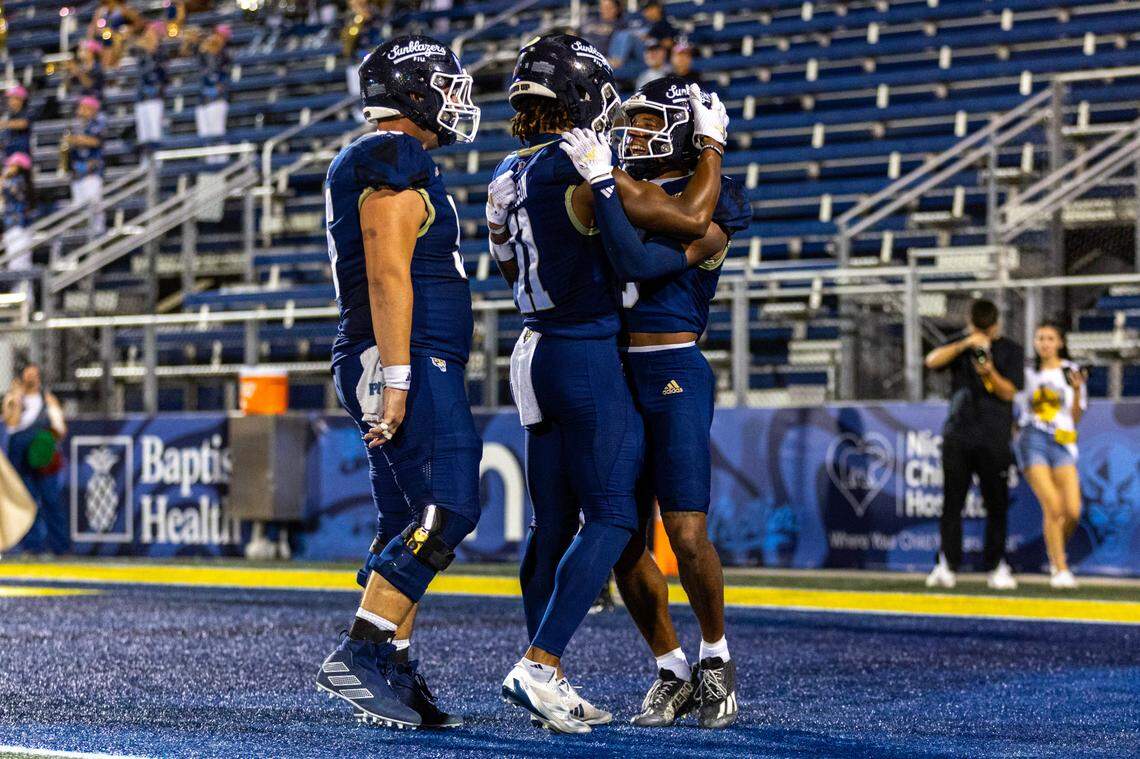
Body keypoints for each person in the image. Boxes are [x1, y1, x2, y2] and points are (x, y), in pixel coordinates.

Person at [487, 33, 728, 734]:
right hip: (585, 350)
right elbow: (660, 236)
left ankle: (547, 679)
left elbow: (509, 266)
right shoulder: (579, 163)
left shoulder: (508, 169)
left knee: (552, 524)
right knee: (617, 517)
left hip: (532, 345)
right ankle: (540, 661)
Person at [313, 34, 482, 731]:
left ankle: (396, 659)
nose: (456, 100)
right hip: (401, 354)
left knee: (405, 515)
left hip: (396, 352)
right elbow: (387, 271)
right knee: (450, 505)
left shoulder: (399, 163)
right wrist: (400, 376)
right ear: (413, 94)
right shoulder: (392, 158)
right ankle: (362, 650)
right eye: (443, 86)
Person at [593, 76, 752, 729]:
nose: (633, 132)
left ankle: (716, 658)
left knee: (686, 533)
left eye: (649, 121)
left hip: (674, 366)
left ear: (687, 129)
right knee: (623, 539)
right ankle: (671, 667)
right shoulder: (625, 188)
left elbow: (647, 263)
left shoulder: (714, 204)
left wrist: (707, 154)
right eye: (629, 122)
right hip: (616, 367)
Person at [924, 299, 1025, 590]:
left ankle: (996, 565)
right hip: (958, 435)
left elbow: (1008, 393)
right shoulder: (962, 343)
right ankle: (947, 563)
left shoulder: (1011, 350)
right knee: (952, 502)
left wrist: (989, 372)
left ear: (996, 325)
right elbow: (931, 361)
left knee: (997, 504)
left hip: (994, 437)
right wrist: (965, 344)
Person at [1015, 321, 1086, 590]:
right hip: (1032, 438)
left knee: (1072, 511)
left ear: (1060, 343)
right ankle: (1060, 567)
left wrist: (1078, 389)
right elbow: (1016, 408)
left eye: (1050, 338)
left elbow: (1076, 416)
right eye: (1040, 338)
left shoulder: (1071, 371)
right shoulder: (1026, 374)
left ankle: (1054, 551)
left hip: (1062, 442)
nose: (1045, 343)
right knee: (1053, 506)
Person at [4, 364, 68, 555]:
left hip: (42, 456)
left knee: (51, 500)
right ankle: (32, 547)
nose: (32, 379)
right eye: (28, 375)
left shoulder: (47, 399)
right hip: (20, 455)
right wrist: (17, 398)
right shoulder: (12, 399)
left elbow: (60, 428)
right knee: (27, 501)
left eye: (35, 375)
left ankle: (60, 547)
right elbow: (12, 423)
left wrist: (46, 443)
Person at [65, 96, 107, 237]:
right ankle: (84, 238)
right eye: (80, 107)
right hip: (77, 173)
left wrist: (76, 139)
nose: (81, 111)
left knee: (94, 205)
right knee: (79, 209)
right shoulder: (75, 126)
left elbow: (96, 142)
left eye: (85, 108)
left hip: (92, 173)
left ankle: (98, 236)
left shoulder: (98, 124)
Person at [192, 24, 231, 163]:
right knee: (206, 136)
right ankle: (210, 165)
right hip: (203, 100)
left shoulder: (224, 56)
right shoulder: (202, 55)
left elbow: (220, 78)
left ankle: (221, 164)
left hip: (217, 100)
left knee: (217, 133)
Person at [2, 152, 35, 312]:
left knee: (19, 268)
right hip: (12, 230)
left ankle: (25, 309)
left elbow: (4, 184)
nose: (8, 167)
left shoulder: (19, 181)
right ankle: (21, 308)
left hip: (20, 230)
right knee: (16, 268)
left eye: (13, 165)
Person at [133, 22, 168, 154]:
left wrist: (150, 44)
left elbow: (160, 72)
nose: (147, 34)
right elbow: (133, 46)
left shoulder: (161, 51)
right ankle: (145, 165)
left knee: (155, 133)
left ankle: (157, 163)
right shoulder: (141, 52)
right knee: (143, 136)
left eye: (151, 31)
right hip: (141, 97)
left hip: (155, 97)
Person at [583, 0, 637, 70]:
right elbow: (576, 33)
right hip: (583, 52)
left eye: (609, 7)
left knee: (625, 34)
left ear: (617, 9)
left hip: (604, 57)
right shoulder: (591, 20)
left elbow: (625, 38)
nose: (605, 10)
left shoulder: (620, 23)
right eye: (603, 7)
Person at [1, 85, 35, 157]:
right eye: (10, 99)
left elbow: (23, 124)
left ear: (21, 99)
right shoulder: (10, 114)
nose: (10, 101)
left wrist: (5, 123)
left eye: (13, 98)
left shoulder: (28, 110)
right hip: (9, 147)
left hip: (23, 149)